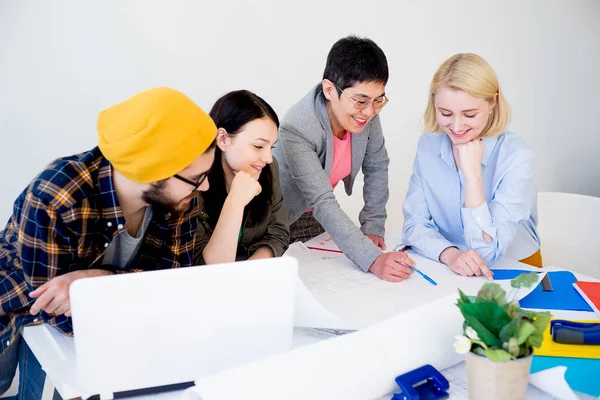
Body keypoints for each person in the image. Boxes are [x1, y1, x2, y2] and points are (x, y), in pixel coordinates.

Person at [0, 87, 217, 398]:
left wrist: (96, 279)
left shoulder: (180, 198)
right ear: (151, 172)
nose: (205, 186)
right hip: (14, 302)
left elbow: (173, 282)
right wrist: (132, 292)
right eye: (197, 177)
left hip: (84, 329)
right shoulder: (56, 196)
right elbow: (56, 308)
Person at [273, 35, 415, 282]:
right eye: (360, 101)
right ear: (329, 89)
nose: (369, 112)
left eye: (378, 100)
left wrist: (372, 226)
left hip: (313, 218)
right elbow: (322, 200)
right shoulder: (297, 127)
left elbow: (377, 166)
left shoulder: (366, 113)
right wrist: (372, 259)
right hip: (276, 222)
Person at [402, 53, 541, 280]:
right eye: (445, 113)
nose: (456, 126)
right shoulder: (428, 145)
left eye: (469, 114)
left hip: (515, 270)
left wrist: (473, 176)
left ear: (492, 103)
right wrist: (450, 254)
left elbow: (487, 253)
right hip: (451, 268)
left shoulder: (517, 156)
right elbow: (413, 225)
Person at [193, 90, 289, 264]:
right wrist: (235, 201)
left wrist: (250, 269)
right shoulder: (194, 182)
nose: (268, 158)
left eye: (271, 147)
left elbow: (278, 233)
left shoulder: (268, 169)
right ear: (223, 139)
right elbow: (211, 266)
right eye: (259, 146)